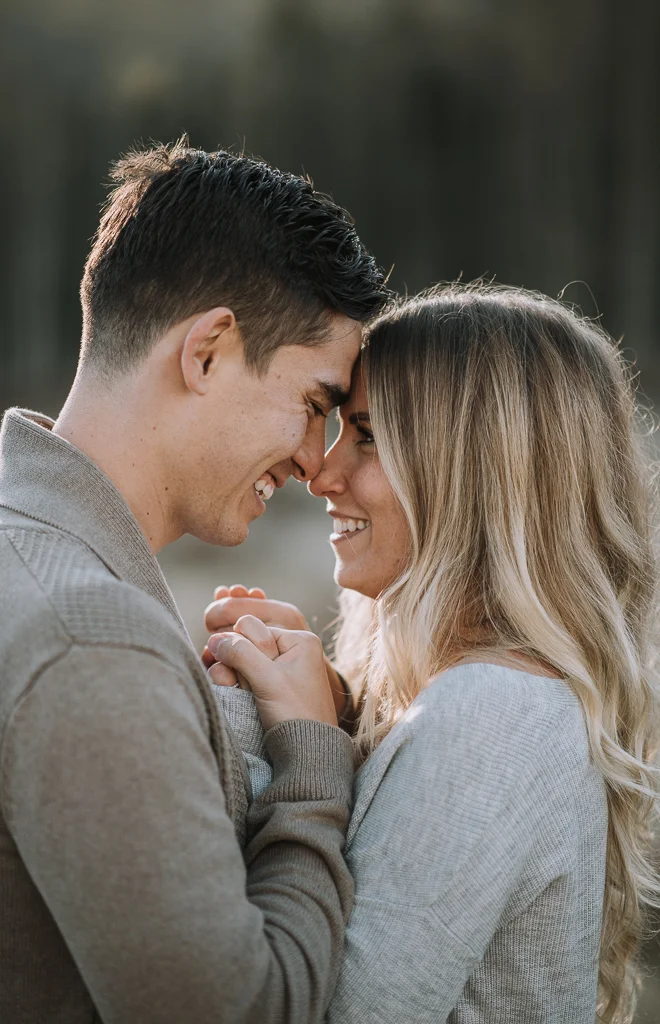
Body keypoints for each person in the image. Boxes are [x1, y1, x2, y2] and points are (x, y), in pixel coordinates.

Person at [0, 139, 390, 1023]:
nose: (314, 461)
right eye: (316, 406)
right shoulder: (90, 640)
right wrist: (308, 758)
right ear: (208, 350)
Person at [205, 283, 660, 1024]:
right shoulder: (497, 702)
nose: (320, 473)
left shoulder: (491, 716)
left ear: (478, 472)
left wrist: (297, 744)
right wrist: (330, 714)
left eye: (367, 435)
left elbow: (322, 1013)